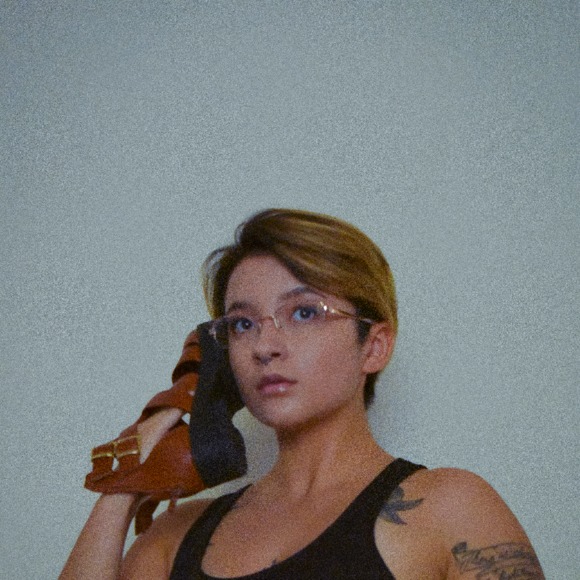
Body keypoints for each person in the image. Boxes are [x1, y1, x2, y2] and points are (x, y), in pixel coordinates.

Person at [61, 209, 544, 579]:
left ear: (374, 346)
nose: (264, 346)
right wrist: (132, 470)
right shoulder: (175, 536)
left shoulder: (447, 507)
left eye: (305, 312)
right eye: (242, 324)